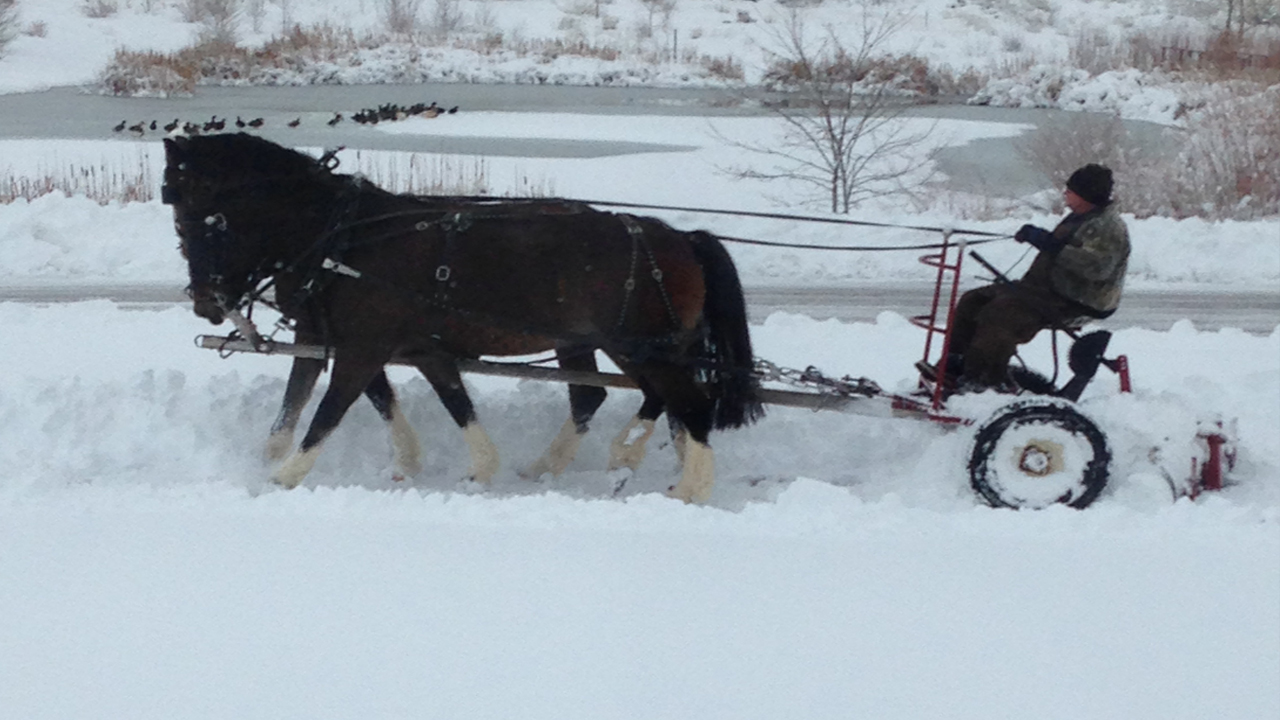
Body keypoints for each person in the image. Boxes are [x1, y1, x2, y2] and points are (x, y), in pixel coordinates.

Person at [931, 163, 1131, 391]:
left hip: (1078, 300)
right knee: (973, 300)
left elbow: (1097, 267)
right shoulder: (1081, 216)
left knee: (1002, 314)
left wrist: (1048, 243)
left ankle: (983, 380)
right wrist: (1042, 239)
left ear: (1087, 194)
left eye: (1070, 191)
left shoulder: (1108, 226)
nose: (1065, 194)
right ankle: (956, 364)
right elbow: (1058, 246)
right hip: (1046, 289)